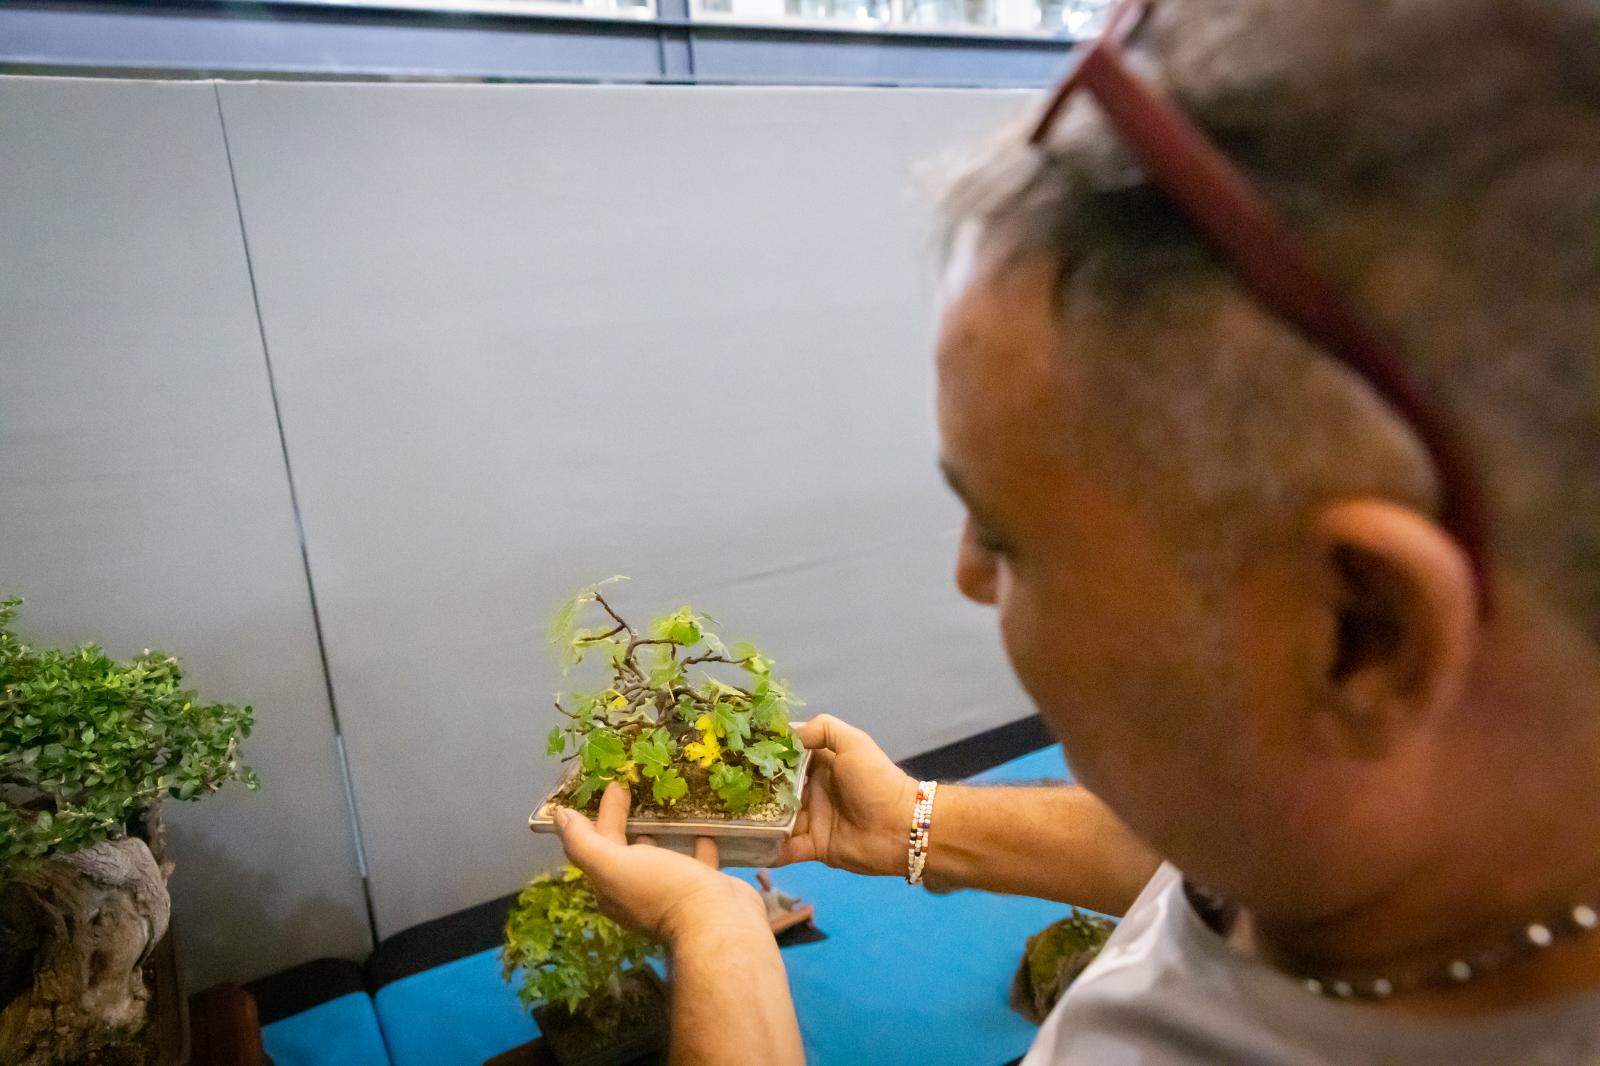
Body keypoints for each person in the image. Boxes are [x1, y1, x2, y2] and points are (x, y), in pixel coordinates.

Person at [549, 0, 1600, 1060]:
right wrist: (917, 822)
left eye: (1006, 540)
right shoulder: (1407, 856)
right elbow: (1222, 859)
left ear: (1360, 633)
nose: (967, 575)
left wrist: (718, 935)